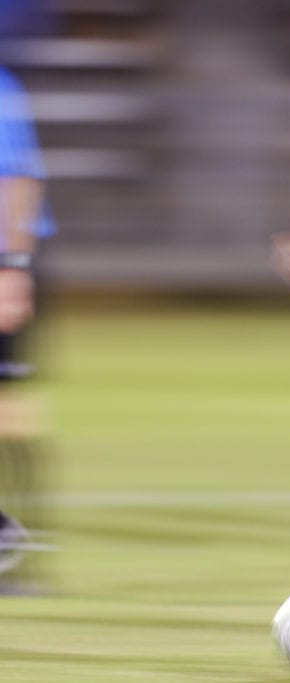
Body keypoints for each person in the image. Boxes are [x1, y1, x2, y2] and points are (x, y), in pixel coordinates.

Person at [0, 64, 55, 586]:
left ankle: (24, 550)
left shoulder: (1, 89)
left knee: (10, 412)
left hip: (4, 265)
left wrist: (12, 268)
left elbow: (18, 180)